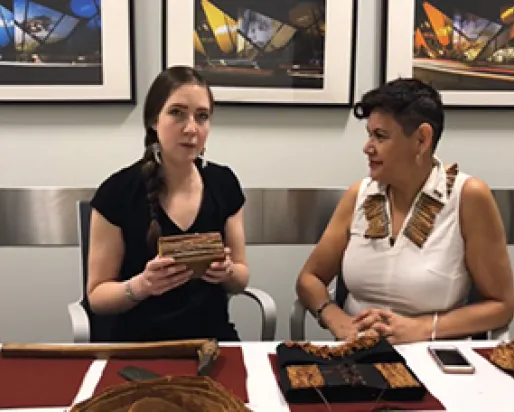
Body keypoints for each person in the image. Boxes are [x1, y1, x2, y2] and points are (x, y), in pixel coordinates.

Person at [296, 78, 514, 344]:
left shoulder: (468, 196)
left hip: (434, 356)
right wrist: (336, 318)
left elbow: (502, 305)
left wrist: (424, 328)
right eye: (369, 134)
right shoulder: (359, 194)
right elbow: (309, 278)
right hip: (359, 354)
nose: (368, 147)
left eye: (381, 136)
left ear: (421, 139)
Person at [86, 66, 249, 342]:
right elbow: (97, 297)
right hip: (138, 344)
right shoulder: (116, 192)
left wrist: (227, 272)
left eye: (202, 117)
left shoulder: (224, 183)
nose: (191, 129)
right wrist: (142, 286)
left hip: (211, 342)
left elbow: (242, 277)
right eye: (177, 113)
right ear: (153, 120)